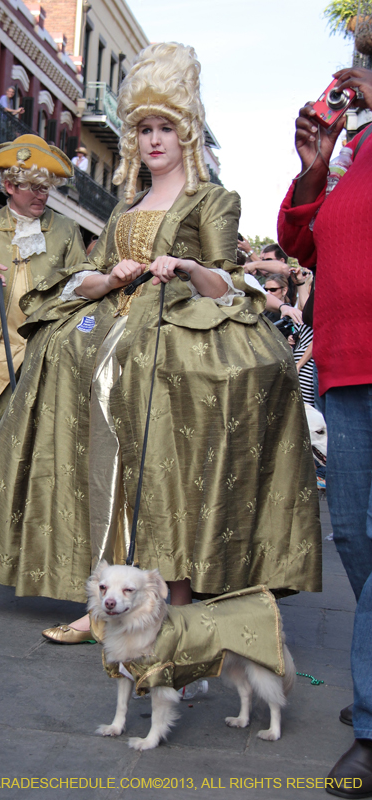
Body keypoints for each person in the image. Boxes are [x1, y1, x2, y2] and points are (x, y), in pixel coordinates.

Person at [0, 43, 321, 642]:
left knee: (165, 471)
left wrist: (185, 266)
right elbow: (88, 273)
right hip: (112, 337)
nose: (153, 140)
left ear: (187, 134)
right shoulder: (124, 210)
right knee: (92, 451)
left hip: (174, 341)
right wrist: (113, 275)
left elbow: (229, 277)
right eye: (144, 128)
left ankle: (169, 599)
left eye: (165, 128)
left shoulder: (212, 199)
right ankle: (104, 598)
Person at [278, 66, 372, 799]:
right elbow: (301, 247)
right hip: (345, 365)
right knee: (352, 535)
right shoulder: (354, 154)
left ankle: (369, 727)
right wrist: (314, 172)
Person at [0, 132, 87, 456]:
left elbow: (84, 287)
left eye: (46, 188)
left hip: (48, 355)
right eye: (34, 188)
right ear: (10, 186)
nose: (43, 196)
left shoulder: (67, 230)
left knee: (41, 447)